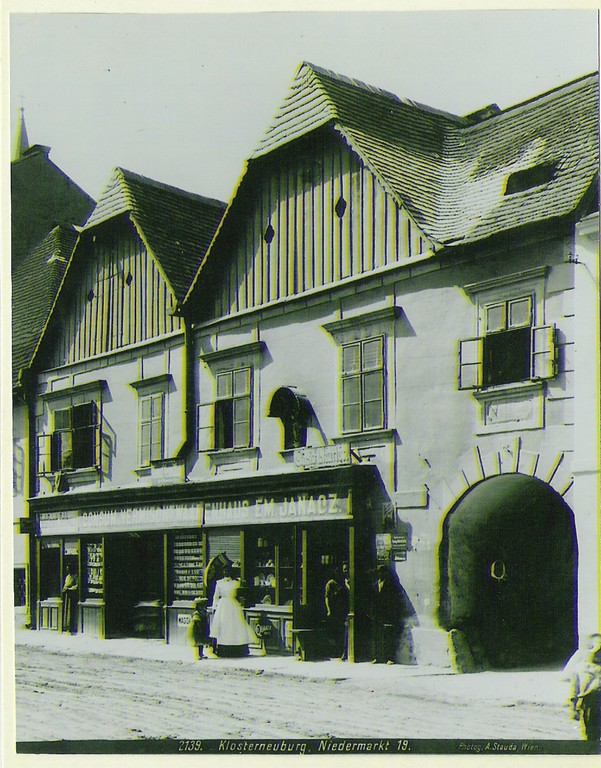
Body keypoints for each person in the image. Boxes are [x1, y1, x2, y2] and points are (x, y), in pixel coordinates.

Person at [209, 564, 258, 657]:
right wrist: (214, 607)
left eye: (228, 570)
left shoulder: (236, 582)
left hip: (233, 605)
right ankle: (222, 649)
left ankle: (238, 649)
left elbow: (240, 594)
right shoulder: (219, 583)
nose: (226, 572)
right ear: (222, 572)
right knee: (224, 626)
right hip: (223, 606)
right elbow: (215, 596)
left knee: (235, 626)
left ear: (231, 572)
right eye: (225, 571)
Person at [569, 635, 601, 740]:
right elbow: (574, 690)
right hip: (588, 703)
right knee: (590, 734)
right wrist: (573, 709)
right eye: (593, 648)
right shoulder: (579, 669)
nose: (596, 652)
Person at [371, 565, 404, 664]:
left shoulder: (391, 585)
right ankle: (377, 657)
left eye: (382, 572)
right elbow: (373, 601)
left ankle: (390, 658)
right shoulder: (375, 585)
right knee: (377, 636)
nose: (380, 574)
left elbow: (395, 600)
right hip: (378, 615)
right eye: (379, 572)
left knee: (388, 637)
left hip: (388, 614)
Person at [324, 566, 349, 660]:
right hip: (334, 611)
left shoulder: (343, 583)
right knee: (335, 633)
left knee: (342, 632)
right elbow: (327, 597)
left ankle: (342, 653)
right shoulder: (331, 583)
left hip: (342, 611)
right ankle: (335, 652)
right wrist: (329, 610)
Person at [61, 563, 78, 634]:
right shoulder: (68, 577)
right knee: (66, 611)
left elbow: (77, 586)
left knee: (72, 611)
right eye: (67, 569)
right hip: (67, 597)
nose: (68, 570)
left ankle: (72, 627)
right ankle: (66, 626)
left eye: (69, 569)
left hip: (73, 597)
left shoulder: (76, 576)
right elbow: (65, 585)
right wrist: (64, 589)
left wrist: (70, 589)